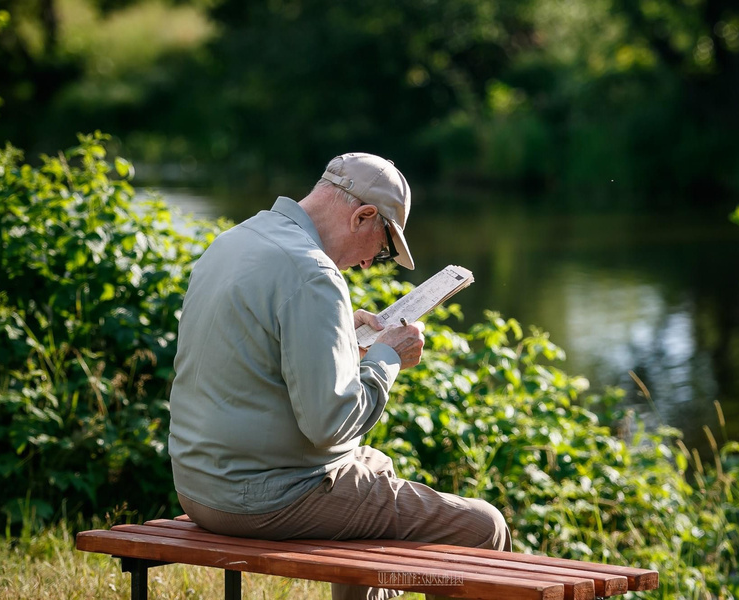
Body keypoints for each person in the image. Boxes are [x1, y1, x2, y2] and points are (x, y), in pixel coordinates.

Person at [168, 152, 511, 600]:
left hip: (198, 485)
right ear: (363, 215)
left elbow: (254, 349)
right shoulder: (313, 272)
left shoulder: (236, 240)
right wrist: (387, 358)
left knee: (372, 469)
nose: (371, 263)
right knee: (485, 526)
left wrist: (340, 335)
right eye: (384, 246)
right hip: (264, 498)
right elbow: (330, 426)